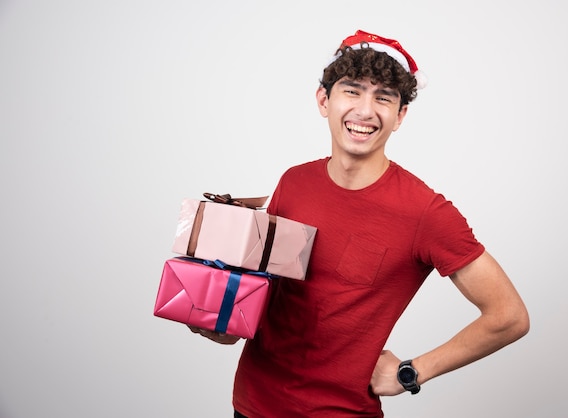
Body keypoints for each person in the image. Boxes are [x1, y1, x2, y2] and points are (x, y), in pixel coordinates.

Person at [189, 29, 530, 417]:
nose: (366, 111)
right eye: (352, 91)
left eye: (383, 97)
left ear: (400, 115)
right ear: (324, 100)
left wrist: (411, 372)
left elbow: (509, 316)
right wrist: (222, 324)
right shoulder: (294, 181)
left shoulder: (425, 213)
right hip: (252, 404)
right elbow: (263, 296)